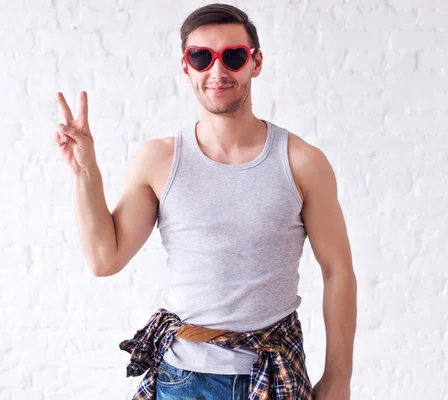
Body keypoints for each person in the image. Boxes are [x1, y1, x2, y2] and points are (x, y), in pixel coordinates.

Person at [53, 3, 356, 399]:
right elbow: (104, 259)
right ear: (186, 67)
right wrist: (84, 171)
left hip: (273, 374)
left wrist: (338, 378)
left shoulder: (301, 162)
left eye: (233, 56)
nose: (217, 71)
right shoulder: (160, 160)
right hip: (181, 379)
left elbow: (338, 270)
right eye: (202, 57)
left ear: (256, 62)